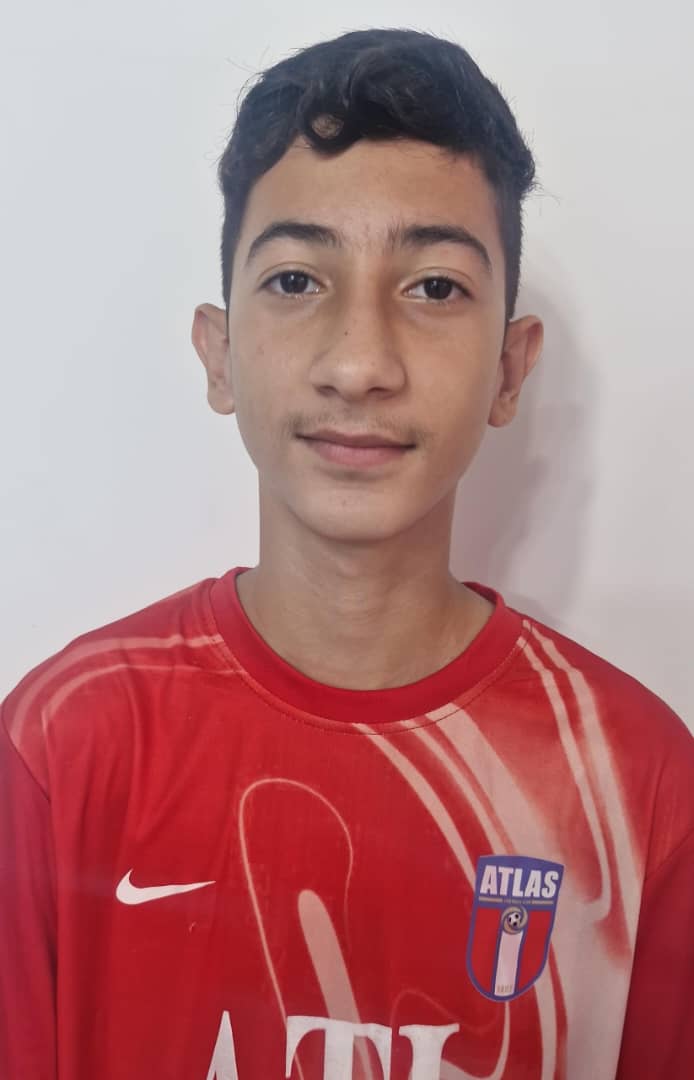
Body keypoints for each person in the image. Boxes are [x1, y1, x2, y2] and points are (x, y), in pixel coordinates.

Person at [1, 25, 692, 1080]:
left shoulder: (636, 782)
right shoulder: (63, 744)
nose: (361, 362)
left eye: (433, 288)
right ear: (217, 354)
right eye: (295, 280)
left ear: (511, 371)